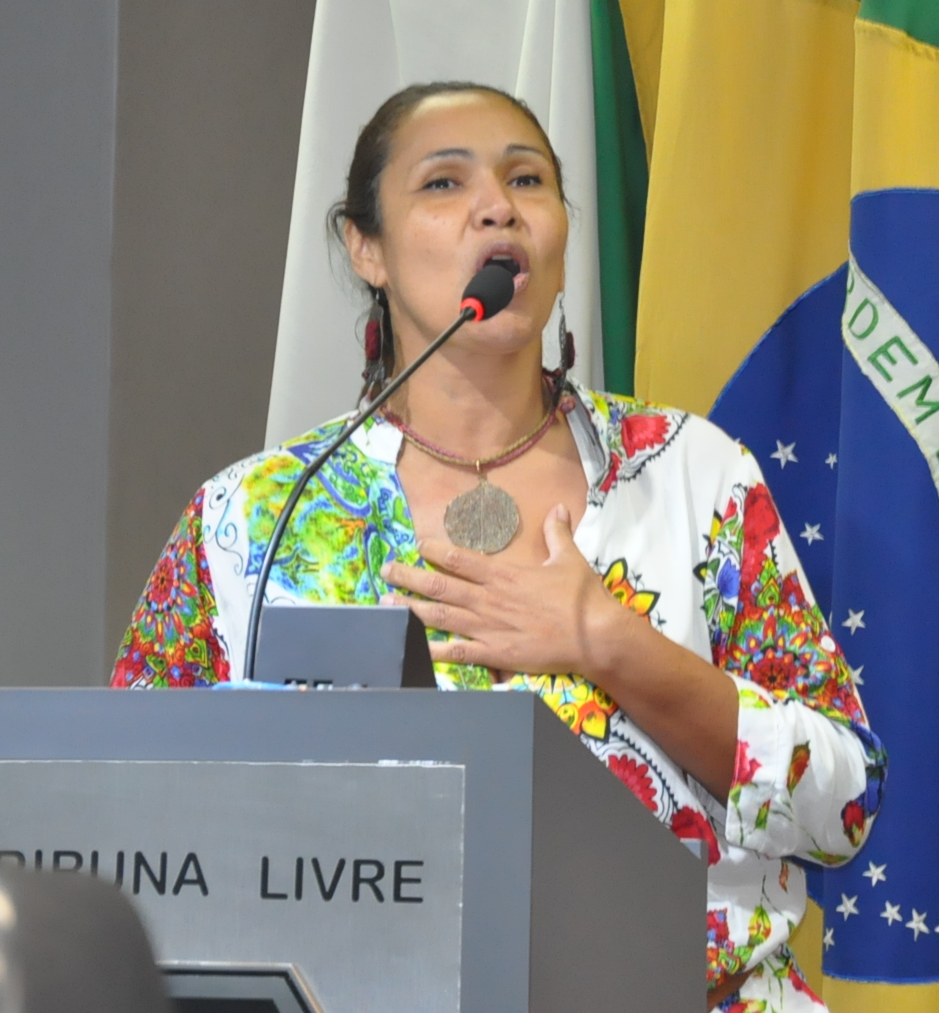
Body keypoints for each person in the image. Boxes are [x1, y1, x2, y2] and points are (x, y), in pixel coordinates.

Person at [111, 82, 884, 1012]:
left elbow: (845, 803)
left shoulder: (692, 476)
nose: (497, 206)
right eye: (444, 184)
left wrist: (610, 642)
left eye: (528, 179)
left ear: (558, 243)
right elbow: (134, 810)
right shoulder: (257, 516)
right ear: (368, 248)